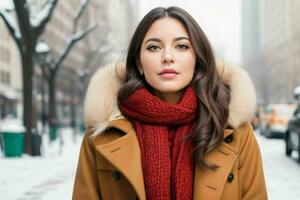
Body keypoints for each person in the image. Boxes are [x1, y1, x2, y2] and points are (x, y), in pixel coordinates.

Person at [72, 6, 267, 200]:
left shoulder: (233, 130)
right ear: (139, 63)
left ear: (197, 58)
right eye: (153, 47)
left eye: (181, 46)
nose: (167, 57)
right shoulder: (102, 133)